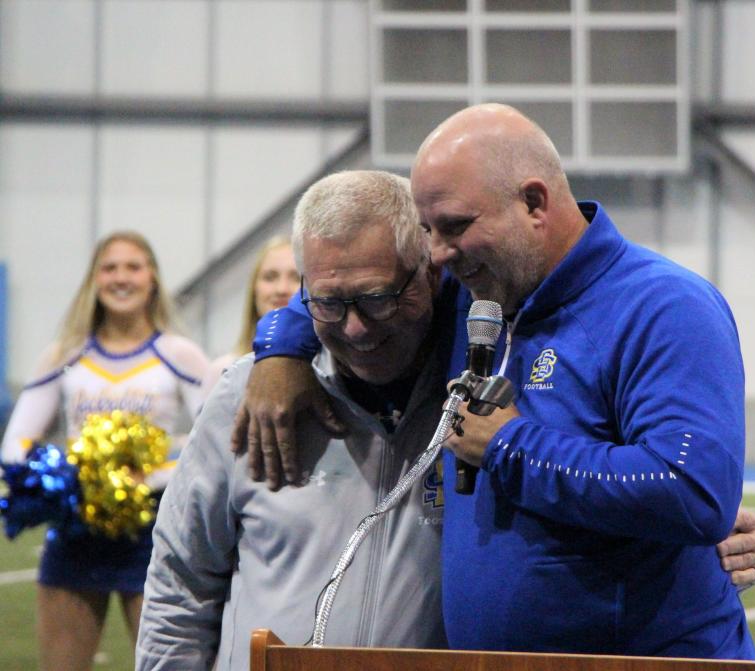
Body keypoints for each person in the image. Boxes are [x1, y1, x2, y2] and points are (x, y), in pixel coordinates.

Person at [236, 104, 755, 658]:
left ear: (534, 202)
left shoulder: (664, 307)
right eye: (427, 230)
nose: (437, 253)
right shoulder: (478, 289)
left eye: (457, 227)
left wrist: (512, 447)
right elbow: (355, 285)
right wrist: (279, 350)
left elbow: (692, 491)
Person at [135, 171, 452, 671]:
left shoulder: (477, 390)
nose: (355, 327)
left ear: (429, 271)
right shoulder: (245, 398)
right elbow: (180, 586)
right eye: (328, 302)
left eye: (377, 298)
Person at [0, 231, 208, 671]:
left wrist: (149, 476)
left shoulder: (179, 354)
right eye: (109, 267)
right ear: (94, 280)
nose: (121, 278)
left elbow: (213, 439)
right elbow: (15, 444)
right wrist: (71, 477)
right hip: (76, 531)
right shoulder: (66, 354)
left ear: (152, 277)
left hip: (155, 532)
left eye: (133, 266)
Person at [201, 236, 300, 396]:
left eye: (296, 277)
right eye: (270, 277)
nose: (282, 289)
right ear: (254, 289)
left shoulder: (328, 369)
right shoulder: (223, 371)